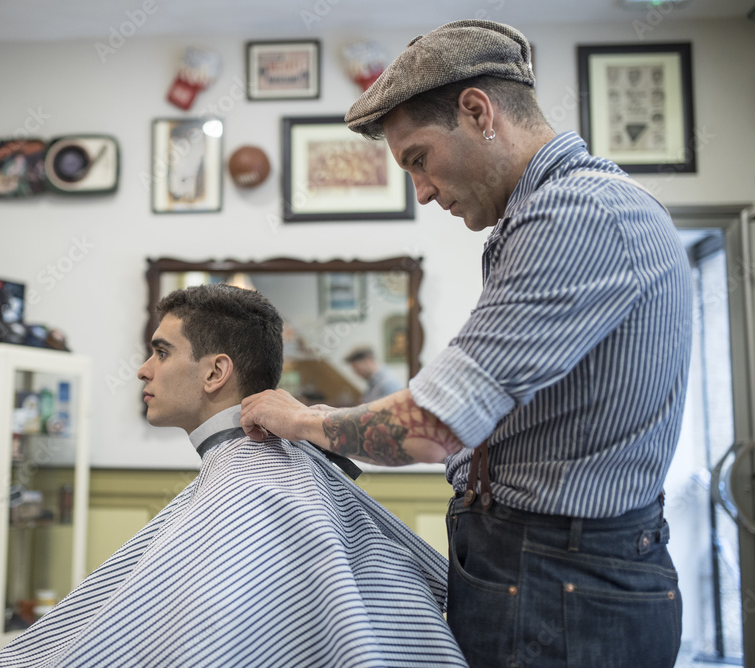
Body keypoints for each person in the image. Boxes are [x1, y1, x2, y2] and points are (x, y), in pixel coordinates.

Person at [240, 19, 690, 668]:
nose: (421, 191)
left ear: (477, 111)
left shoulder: (579, 215)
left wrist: (305, 420)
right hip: (537, 565)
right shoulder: (540, 220)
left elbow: (433, 426)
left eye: (418, 159)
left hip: (565, 583)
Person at [0, 283, 466, 667]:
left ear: (216, 373)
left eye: (161, 352)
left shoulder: (250, 483)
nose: (142, 370)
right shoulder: (275, 465)